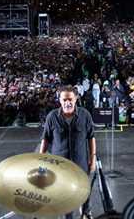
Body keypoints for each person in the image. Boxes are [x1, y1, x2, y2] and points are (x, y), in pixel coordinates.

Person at [40, 85, 96, 219]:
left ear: (76, 99)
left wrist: (92, 159)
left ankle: (86, 213)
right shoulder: (52, 117)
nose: (67, 102)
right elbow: (45, 138)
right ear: (59, 100)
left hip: (81, 163)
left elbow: (91, 137)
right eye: (64, 100)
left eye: (70, 99)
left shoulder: (85, 115)